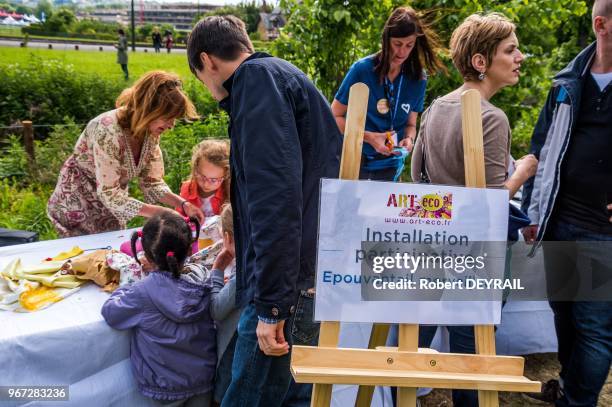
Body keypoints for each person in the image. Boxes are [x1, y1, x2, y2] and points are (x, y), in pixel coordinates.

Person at [187, 15, 342, 407]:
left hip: (288, 285)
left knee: (246, 396)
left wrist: (272, 306)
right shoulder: (278, 75)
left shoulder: (256, 83)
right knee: (292, 395)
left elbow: (276, 202)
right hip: (308, 274)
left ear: (207, 61)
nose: (209, 90)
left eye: (201, 78)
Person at [410, 13, 538, 406]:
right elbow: (492, 200)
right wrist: (524, 171)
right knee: (471, 357)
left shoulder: (434, 108)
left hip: (432, 248)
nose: (520, 57)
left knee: (412, 345)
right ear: (481, 62)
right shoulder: (491, 117)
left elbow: (418, 176)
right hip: (477, 253)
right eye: (510, 50)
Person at [521, 0, 612, 405]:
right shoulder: (566, 83)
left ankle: (578, 401)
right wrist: (534, 211)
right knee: (565, 319)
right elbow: (541, 148)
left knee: (594, 327)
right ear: (601, 25)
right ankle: (569, 387)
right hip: (559, 219)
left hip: (603, 231)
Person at [48, 71, 205, 237]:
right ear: (149, 109)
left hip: (111, 207)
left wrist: (183, 204)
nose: (171, 125)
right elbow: (110, 193)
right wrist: (163, 213)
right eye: (168, 118)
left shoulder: (150, 133)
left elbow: (151, 183)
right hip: (77, 204)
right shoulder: (107, 130)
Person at [102, 212, 216, 406]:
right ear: (189, 250)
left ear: (145, 255)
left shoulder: (141, 292)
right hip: (204, 378)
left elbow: (111, 313)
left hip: (165, 385)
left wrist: (126, 287)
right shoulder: (205, 279)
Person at [332, 6, 445, 181]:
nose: (402, 52)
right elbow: (334, 116)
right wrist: (369, 137)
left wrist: (408, 140)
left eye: (409, 45)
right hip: (355, 163)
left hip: (390, 168)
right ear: (386, 40)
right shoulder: (362, 70)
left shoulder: (418, 79)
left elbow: (410, 125)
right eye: (397, 44)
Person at [209, 204, 241, 404]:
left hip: (233, 346)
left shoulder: (245, 269)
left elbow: (217, 309)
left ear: (228, 238)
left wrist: (217, 270)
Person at [177, 139, 229, 220]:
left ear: (225, 176)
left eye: (213, 180)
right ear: (195, 168)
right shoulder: (187, 189)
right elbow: (179, 218)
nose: (206, 184)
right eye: (202, 176)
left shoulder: (228, 192)